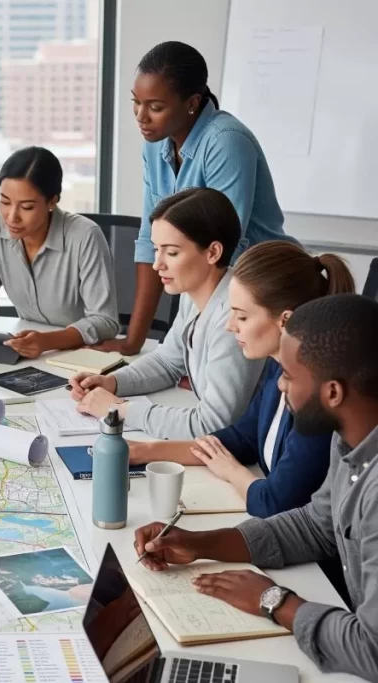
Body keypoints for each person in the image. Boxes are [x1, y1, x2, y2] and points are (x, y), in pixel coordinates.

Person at [134, 294, 378, 682]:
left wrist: (275, 601)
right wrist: (200, 544)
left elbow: (372, 650)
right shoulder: (348, 436)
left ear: (333, 393)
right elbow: (317, 526)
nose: (280, 385)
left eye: (289, 375)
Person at [129, 241, 355, 517]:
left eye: (242, 316)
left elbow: (274, 502)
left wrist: (231, 471)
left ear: (286, 322)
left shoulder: (318, 398)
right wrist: (145, 451)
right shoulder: (276, 367)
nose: (229, 325)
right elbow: (241, 440)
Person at [98, 41, 294, 356]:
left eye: (155, 106)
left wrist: (201, 353)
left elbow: (226, 250)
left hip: (263, 298)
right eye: (136, 102)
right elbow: (151, 239)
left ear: (192, 103)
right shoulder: (154, 143)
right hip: (218, 297)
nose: (141, 116)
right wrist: (133, 340)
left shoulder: (226, 142)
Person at [70, 187, 265, 440]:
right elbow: (167, 362)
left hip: (243, 456)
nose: (156, 264)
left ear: (213, 252)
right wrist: (112, 382)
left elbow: (213, 423)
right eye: (156, 249)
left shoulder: (233, 317)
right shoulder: (193, 294)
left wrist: (119, 409)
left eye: (172, 252)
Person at [0, 147, 119, 359]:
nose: (11, 217)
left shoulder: (85, 235)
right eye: (5, 202)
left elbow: (105, 321)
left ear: (52, 201)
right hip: (27, 354)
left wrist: (46, 341)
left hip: (81, 356)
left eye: (27, 207)